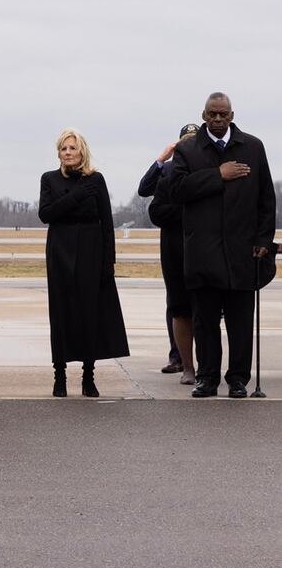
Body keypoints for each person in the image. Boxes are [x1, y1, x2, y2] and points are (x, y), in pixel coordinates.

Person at [165, 92, 276, 398]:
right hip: (203, 253)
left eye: (222, 114)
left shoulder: (252, 147)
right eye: (212, 114)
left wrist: (264, 239)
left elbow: (266, 198)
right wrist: (218, 175)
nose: (217, 119)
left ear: (231, 115)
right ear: (203, 115)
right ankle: (207, 377)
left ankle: (238, 378)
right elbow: (175, 190)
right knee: (205, 321)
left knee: (241, 322)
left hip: (242, 252)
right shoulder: (188, 150)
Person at [38, 129, 129, 397]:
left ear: (82, 152)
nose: (68, 153)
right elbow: (46, 213)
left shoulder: (96, 180)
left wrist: (108, 261)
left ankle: (88, 376)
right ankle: (60, 375)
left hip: (91, 249)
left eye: (72, 148)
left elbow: (107, 223)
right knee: (61, 313)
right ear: (59, 153)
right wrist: (77, 196)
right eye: (64, 149)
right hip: (60, 250)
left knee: (90, 313)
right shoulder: (49, 179)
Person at [137, 125, 200, 374]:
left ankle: (199, 362)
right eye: (184, 142)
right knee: (176, 305)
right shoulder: (170, 169)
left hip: (200, 247)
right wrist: (162, 159)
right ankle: (178, 356)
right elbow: (144, 189)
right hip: (174, 247)